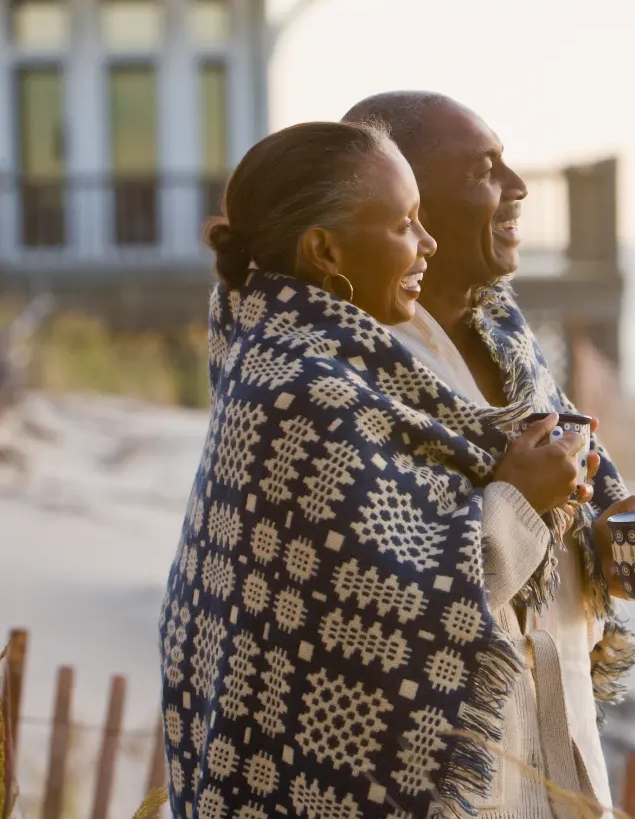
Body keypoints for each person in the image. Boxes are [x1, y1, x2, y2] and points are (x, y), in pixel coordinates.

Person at [159, 121, 598, 819]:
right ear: (325, 249)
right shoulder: (300, 391)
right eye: (404, 225)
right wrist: (516, 498)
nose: (427, 244)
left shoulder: (336, 364)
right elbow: (400, 606)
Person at [343, 93, 635, 817]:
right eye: (484, 169)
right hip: (447, 765)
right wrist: (517, 501)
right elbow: (378, 595)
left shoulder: (508, 332)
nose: (517, 188)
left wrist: (600, 537)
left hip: (556, 730)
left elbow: (568, 479)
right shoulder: (349, 371)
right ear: (402, 194)